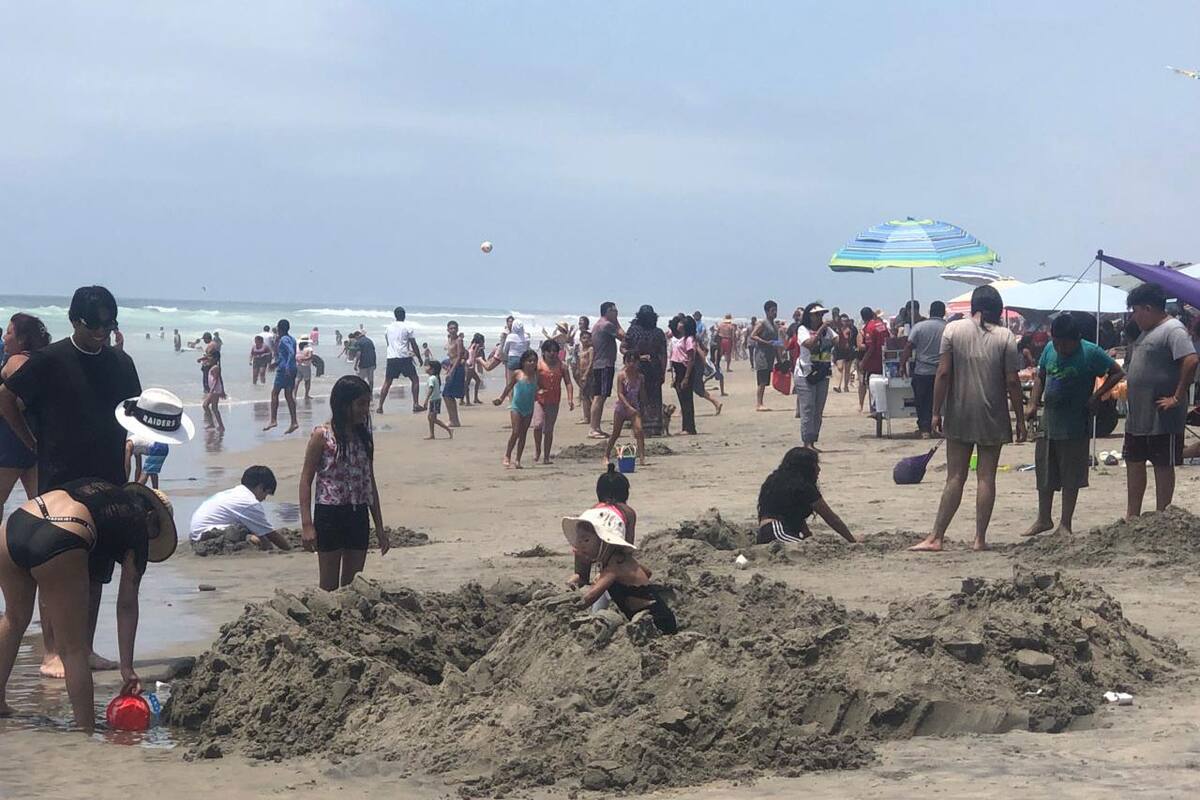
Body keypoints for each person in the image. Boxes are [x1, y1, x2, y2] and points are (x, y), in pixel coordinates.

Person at [0, 287, 147, 677]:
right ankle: (52, 652)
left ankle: (83, 647)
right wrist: (31, 443)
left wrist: (133, 446)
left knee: (96, 569)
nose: (102, 332)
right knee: (58, 569)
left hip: (107, 477)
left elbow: (132, 411)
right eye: (94, 324)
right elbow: (5, 397)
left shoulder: (121, 362)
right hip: (60, 479)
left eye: (109, 324)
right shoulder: (50, 361)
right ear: (74, 320)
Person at [0, 479, 176, 732]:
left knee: (14, 619)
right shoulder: (138, 523)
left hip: (16, 524)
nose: (150, 538)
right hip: (62, 533)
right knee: (73, 648)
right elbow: (126, 604)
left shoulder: (101, 490)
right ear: (150, 515)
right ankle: (86, 730)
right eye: (155, 531)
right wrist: (127, 668)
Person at [912, 285, 1025, 553]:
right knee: (986, 477)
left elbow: (942, 374)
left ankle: (936, 536)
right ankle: (979, 539)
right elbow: (1012, 381)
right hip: (993, 414)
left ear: (973, 306)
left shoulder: (953, 330)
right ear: (997, 309)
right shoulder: (1006, 337)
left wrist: (935, 412)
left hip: (959, 411)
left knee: (955, 476)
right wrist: (1020, 419)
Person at [1023, 313, 1125, 537]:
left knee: (1071, 474)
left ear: (1076, 339)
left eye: (1064, 343)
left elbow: (1117, 373)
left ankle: (1065, 523)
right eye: (1056, 342)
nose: (1059, 347)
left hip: (1075, 422)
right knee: (1045, 470)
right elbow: (1040, 376)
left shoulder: (1091, 352)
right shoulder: (1050, 349)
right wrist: (1032, 403)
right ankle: (1043, 518)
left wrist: (1097, 396)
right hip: (1049, 419)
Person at [299, 376, 388, 591]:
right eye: (360, 404)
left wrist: (379, 527)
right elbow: (306, 479)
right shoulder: (322, 436)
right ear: (343, 404)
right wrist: (307, 525)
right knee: (328, 586)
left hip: (358, 514)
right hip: (329, 514)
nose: (365, 410)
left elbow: (370, 482)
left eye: (368, 403)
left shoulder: (364, 437)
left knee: (353, 585)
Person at [1121, 282, 1199, 518]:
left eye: (1135, 311)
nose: (1134, 317)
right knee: (1134, 462)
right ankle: (1132, 514)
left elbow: (1191, 360)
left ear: (1147, 308)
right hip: (1138, 415)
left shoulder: (1173, 329)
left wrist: (1176, 396)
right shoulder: (1146, 331)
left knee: (1162, 464)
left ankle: (1162, 513)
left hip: (1161, 415)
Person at [561, 507, 677, 634]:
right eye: (579, 541)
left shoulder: (613, 568)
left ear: (604, 541)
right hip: (661, 615)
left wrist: (567, 607)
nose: (581, 545)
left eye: (586, 540)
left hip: (656, 622)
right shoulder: (623, 559)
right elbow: (647, 572)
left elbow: (590, 597)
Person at [0, 314, 50, 516]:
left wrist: (18, 402)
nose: (4, 337)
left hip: (10, 446)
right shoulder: (42, 360)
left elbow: (21, 387)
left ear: (21, 340)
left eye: (9, 332)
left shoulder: (17, 359)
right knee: (43, 508)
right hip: (37, 446)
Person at [757, 447, 855, 543]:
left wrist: (807, 535)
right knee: (799, 549)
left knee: (748, 558)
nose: (819, 469)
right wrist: (852, 540)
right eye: (815, 465)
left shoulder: (775, 480)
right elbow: (831, 518)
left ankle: (741, 559)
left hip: (769, 530)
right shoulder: (804, 487)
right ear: (806, 467)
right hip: (777, 530)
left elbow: (792, 513)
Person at [190, 466, 292, 551]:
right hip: (208, 535)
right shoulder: (249, 502)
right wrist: (288, 549)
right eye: (266, 493)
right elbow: (271, 534)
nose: (264, 498)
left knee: (251, 526)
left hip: (196, 532)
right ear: (260, 487)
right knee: (244, 530)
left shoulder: (236, 493)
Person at [568, 465, 637, 589]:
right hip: (608, 549)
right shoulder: (628, 512)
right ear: (625, 492)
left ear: (599, 492)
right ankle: (602, 576)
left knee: (582, 562)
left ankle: (578, 577)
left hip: (584, 545)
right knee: (617, 558)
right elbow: (628, 543)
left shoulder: (594, 509)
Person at [792, 303, 836, 449]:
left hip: (822, 372)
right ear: (809, 316)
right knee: (808, 408)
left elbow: (839, 342)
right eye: (816, 315)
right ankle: (807, 441)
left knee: (818, 409)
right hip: (806, 372)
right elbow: (809, 344)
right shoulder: (802, 329)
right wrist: (821, 330)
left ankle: (813, 440)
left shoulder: (827, 330)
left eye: (821, 315)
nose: (819, 317)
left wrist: (837, 329)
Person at [902, 300, 948, 436]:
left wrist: (902, 365)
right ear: (943, 312)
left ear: (930, 312)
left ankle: (925, 429)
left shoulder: (919, 327)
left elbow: (908, 346)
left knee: (922, 401)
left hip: (922, 371)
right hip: (943, 371)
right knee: (942, 401)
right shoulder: (948, 328)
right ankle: (940, 426)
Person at [624, 305, 668, 437]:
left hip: (638, 369)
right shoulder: (658, 332)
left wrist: (633, 358)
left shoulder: (633, 331)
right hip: (652, 368)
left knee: (639, 397)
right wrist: (663, 371)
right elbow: (663, 355)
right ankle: (654, 427)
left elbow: (623, 348)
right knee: (652, 397)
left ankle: (640, 427)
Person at [604, 351, 649, 467]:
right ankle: (606, 455)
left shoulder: (640, 377)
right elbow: (620, 394)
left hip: (635, 407)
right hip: (622, 408)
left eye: (634, 361)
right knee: (616, 433)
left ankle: (642, 457)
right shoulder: (621, 376)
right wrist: (628, 407)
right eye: (629, 361)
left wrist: (644, 407)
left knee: (639, 431)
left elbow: (642, 394)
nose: (632, 364)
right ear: (625, 362)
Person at [495, 350, 538, 469]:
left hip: (529, 408)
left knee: (523, 434)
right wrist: (501, 399)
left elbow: (540, 388)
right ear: (523, 362)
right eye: (529, 361)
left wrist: (540, 392)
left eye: (534, 361)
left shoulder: (536, 375)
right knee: (515, 432)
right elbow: (509, 387)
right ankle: (507, 455)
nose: (532, 363)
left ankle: (518, 459)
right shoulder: (518, 373)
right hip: (516, 407)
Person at [533, 340, 573, 464]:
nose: (552, 353)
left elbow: (568, 382)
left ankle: (546, 456)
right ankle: (538, 449)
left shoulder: (562, 366)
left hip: (554, 401)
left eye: (555, 351)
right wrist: (537, 389)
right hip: (539, 400)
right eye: (549, 351)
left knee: (549, 429)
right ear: (543, 352)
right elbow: (531, 381)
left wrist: (570, 399)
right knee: (538, 425)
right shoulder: (538, 366)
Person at [589, 302, 624, 438]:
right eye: (613, 310)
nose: (616, 312)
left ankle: (596, 426)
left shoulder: (599, 324)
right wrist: (616, 321)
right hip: (604, 364)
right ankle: (593, 428)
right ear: (606, 311)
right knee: (600, 396)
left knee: (600, 396)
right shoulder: (606, 325)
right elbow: (623, 336)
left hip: (601, 363)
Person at [379, 307, 423, 414]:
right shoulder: (407, 327)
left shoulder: (388, 328)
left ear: (395, 315)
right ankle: (415, 404)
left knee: (387, 382)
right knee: (415, 380)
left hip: (391, 357)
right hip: (404, 357)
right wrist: (419, 357)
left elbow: (388, 343)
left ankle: (380, 406)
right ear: (404, 315)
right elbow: (413, 344)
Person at [264, 319, 299, 433]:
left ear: (279, 329)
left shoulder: (283, 339)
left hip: (285, 370)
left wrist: (287, 366)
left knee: (274, 393)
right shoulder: (292, 339)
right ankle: (294, 422)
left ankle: (273, 420)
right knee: (288, 395)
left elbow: (291, 353)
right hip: (292, 368)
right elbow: (285, 355)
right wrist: (276, 363)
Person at [669, 315, 698, 435]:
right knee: (682, 399)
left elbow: (691, 359)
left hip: (685, 369)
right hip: (678, 370)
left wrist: (686, 377)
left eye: (681, 323)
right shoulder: (681, 338)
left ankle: (689, 428)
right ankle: (685, 427)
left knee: (686, 400)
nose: (678, 324)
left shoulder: (689, 339)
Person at [857, 307, 889, 414]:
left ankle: (874, 409)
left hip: (873, 363)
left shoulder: (869, 328)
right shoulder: (881, 325)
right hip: (884, 360)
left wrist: (863, 362)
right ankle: (882, 407)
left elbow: (870, 347)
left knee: (872, 385)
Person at [751, 301, 780, 411]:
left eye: (776, 310)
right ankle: (759, 404)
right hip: (761, 355)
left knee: (765, 380)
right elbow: (752, 335)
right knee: (761, 381)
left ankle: (761, 402)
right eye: (773, 310)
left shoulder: (775, 325)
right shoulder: (762, 323)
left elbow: (776, 343)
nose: (775, 312)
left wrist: (779, 358)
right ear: (767, 311)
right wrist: (765, 342)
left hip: (770, 356)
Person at [442, 321, 466, 427]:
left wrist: (452, 371)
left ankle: (454, 420)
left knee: (447, 393)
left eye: (455, 328)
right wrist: (448, 368)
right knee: (448, 394)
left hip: (458, 368)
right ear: (447, 329)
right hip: (452, 367)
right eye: (451, 328)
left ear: (457, 329)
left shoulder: (458, 340)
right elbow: (450, 356)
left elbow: (459, 356)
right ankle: (454, 419)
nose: (453, 330)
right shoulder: (449, 340)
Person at [424, 360, 453, 440]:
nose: (426, 368)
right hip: (435, 400)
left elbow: (431, 389)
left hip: (434, 400)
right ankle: (432, 434)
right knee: (430, 418)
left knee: (432, 418)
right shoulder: (435, 377)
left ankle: (448, 429)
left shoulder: (432, 378)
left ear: (432, 369)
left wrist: (426, 400)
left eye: (428, 366)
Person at [574, 330, 595, 426]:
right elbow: (578, 361)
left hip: (589, 374)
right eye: (584, 338)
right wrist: (578, 371)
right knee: (584, 396)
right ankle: (587, 416)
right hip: (581, 373)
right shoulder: (580, 349)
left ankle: (588, 417)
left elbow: (591, 362)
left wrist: (586, 374)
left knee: (588, 396)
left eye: (587, 338)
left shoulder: (590, 349)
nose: (586, 340)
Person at [203, 351, 226, 431]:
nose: (208, 358)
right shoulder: (213, 366)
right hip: (213, 389)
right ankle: (212, 423)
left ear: (215, 358)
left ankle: (221, 426)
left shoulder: (216, 367)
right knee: (205, 405)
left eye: (210, 357)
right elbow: (220, 379)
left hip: (215, 390)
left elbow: (216, 380)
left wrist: (211, 391)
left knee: (214, 408)